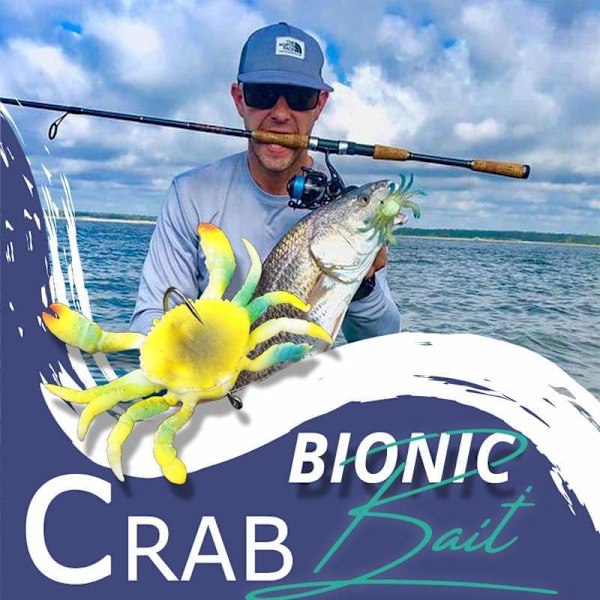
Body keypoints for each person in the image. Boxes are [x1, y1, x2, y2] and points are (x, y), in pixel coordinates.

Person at [130, 22, 400, 341]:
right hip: (207, 369)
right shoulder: (190, 193)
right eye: (264, 94)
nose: (280, 114)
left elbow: (383, 340)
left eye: (299, 97)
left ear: (320, 104)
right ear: (239, 99)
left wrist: (364, 286)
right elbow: (150, 316)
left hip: (308, 371)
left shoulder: (341, 208)